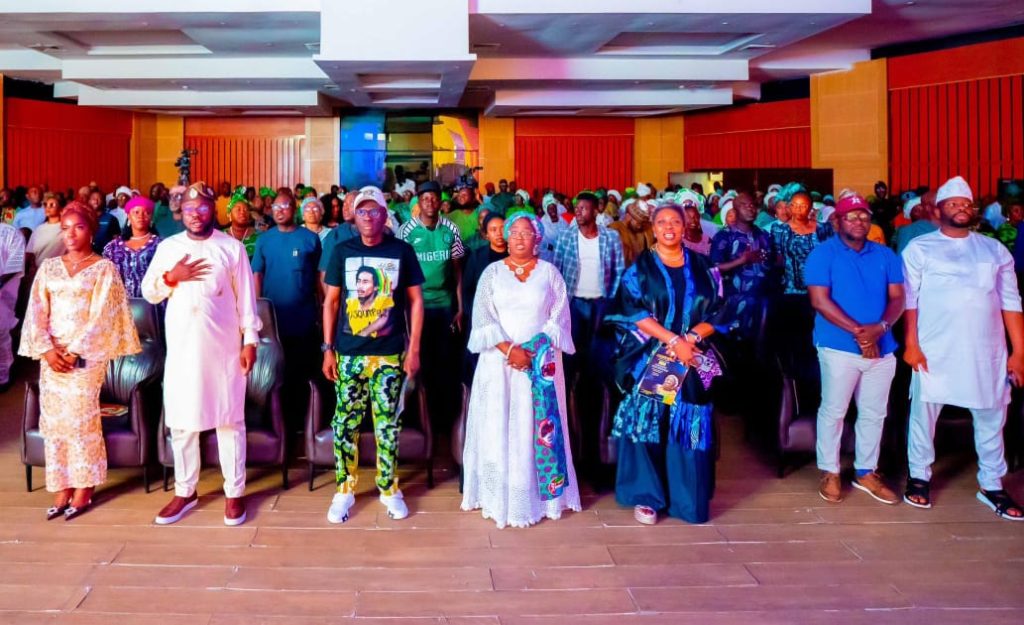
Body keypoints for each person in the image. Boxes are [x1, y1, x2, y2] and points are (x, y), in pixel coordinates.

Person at [902, 176, 1024, 521]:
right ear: (938, 210)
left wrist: (1019, 353)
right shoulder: (920, 248)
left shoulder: (994, 249)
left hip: (986, 350)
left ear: (974, 210)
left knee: (991, 415)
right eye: (953, 203)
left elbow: (1011, 302)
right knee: (923, 416)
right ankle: (919, 477)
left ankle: (991, 484)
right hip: (933, 349)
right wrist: (911, 344)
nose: (960, 208)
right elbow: (909, 301)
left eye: (966, 204)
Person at [142, 182, 261, 527]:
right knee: (182, 424)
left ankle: (234, 493)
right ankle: (185, 490)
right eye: (190, 209)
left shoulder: (231, 248)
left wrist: (250, 340)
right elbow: (150, 292)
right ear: (182, 213)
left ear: (214, 211)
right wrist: (171, 277)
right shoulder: (168, 247)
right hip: (182, 350)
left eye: (203, 208)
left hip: (224, 350)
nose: (196, 215)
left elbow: (246, 300)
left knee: (229, 420)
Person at [606, 203, 728, 525]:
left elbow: (720, 310)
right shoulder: (640, 268)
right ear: (654, 228)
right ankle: (648, 497)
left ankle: (687, 499)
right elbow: (632, 310)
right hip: (654, 356)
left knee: (688, 426)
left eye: (676, 221)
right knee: (650, 423)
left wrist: (690, 340)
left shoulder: (705, 267)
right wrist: (673, 341)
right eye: (662, 222)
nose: (669, 227)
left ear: (686, 226)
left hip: (692, 356)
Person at [19, 203, 140, 520]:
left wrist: (75, 351)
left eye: (78, 227)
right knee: (55, 423)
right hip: (52, 358)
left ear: (92, 230)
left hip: (85, 358)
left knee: (80, 420)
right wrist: (46, 350)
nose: (70, 234)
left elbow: (104, 316)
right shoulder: (49, 268)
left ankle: (84, 487)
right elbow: (36, 312)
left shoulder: (103, 269)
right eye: (65, 228)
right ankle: (61, 487)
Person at [462, 212, 580, 528]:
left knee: (536, 426)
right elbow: (483, 319)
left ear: (538, 240)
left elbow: (559, 318)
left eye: (526, 233)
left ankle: (541, 497)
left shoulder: (550, 274)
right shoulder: (491, 273)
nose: (518, 237)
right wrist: (511, 350)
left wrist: (534, 351)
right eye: (513, 232)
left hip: (540, 365)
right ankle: (497, 496)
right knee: (498, 424)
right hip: (498, 364)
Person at [321, 185, 424, 524]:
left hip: (390, 355)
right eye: (362, 211)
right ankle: (345, 489)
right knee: (345, 423)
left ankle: (388, 488)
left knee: (387, 425)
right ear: (354, 216)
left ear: (384, 215)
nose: (368, 216)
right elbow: (331, 302)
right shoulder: (342, 251)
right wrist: (328, 349)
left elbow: (415, 302)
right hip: (349, 354)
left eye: (374, 211)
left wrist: (413, 349)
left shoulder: (402, 251)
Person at [804, 194, 905, 505]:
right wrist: (862, 334)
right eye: (851, 217)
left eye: (864, 217)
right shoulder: (823, 254)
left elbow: (898, 298)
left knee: (874, 413)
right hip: (838, 347)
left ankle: (866, 471)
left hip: (883, 347)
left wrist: (881, 329)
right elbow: (820, 301)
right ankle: (830, 470)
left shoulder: (886, 255)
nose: (859, 222)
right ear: (837, 221)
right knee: (834, 410)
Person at [397, 180, 465, 432]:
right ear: (418, 202)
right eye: (424, 198)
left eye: (434, 198)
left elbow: (458, 271)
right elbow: (400, 275)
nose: (430, 202)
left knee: (444, 363)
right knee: (417, 363)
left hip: (445, 306)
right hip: (416, 309)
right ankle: (417, 421)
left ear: (440, 202)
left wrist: (460, 306)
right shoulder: (406, 232)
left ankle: (443, 422)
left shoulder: (451, 230)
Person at [252, 191, 322, 425]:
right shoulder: (264, 239)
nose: (280, 210)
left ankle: (301, 425)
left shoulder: (310, 239)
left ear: (295, 208)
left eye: (285, 206)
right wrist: (255, 312)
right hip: (272, 322)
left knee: (301, 373)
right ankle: (274, 424)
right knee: (273, 374)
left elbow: (318, 279)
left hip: (303, 318)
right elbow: (257, 277)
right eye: (275, 207)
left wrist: (321, 310)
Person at [771, 190, 831, 374]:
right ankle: (797, 380)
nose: (798, 209)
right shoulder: (780, 230)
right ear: (789, 207)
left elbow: (830, 256)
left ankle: (821, 373)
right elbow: (777, 259)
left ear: (811, 208)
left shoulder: (823, 229)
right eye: (795, 205)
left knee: (819, 337)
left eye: (803, 205)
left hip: (820, 291)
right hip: (791, 293)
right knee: (796, 339)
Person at [710, 192, 772, 340]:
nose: (750, 209)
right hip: (733, 305)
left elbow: (770, 266)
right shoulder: (724, 236)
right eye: (745, 205)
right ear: (735, 210)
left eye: (753, 205)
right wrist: (741, 260)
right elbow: (713, 270)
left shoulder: (763, 235)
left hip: (761, 303)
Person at [461, 212, 508, 382]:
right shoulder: (477, 256)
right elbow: (467, 289)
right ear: (486, 234)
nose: (499, 233)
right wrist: (474, 315)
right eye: (493, 230)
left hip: (509, 322)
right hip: (482, 320)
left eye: (503, 228)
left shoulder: (516, 255)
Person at [102, 197, 161, 299]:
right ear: (128, 216)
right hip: (120, 306)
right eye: (136, 212)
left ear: (151, 217)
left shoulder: (161, 245)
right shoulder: (112, 247)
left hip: (154, 305)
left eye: (146, 212)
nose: (141, 216)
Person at [0, 220, 25, 390]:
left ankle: (3, 377)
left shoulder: (10, 232)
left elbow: (15, 266)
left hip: (3, 292)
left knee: (1, 333)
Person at [609, 199, 655, 268]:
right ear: (628, 216)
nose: (640, 226)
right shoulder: (614, 229)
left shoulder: (644, 230)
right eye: (638, 222)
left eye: (642, 223)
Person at [26, 194, 66, 271]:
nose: (48, 207)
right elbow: (29, 253)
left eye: (52, 205)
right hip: (38, 271)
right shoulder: (39, 229)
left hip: (58, 270)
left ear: (61, 210)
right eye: (46, 205)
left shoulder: (65, 228)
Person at [88, 189, 122, 254]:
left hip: (106, 256)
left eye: (99, 199)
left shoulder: (111, 219)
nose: (96, 201)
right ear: (89, 201)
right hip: (88, 256)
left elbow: (117, 241)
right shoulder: (84, 218)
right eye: (93, 199)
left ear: (104, 201)